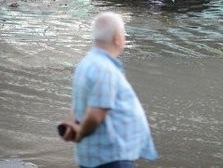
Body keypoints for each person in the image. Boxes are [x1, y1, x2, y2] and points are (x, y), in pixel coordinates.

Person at [61, 12, 158, 168]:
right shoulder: (104, 69)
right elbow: (95, 115)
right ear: (117, 38)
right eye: (123, 34)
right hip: (110, 156)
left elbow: (76, 105)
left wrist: (73, 125)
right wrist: (79, 134)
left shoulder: (85, 63)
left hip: (93, 155)